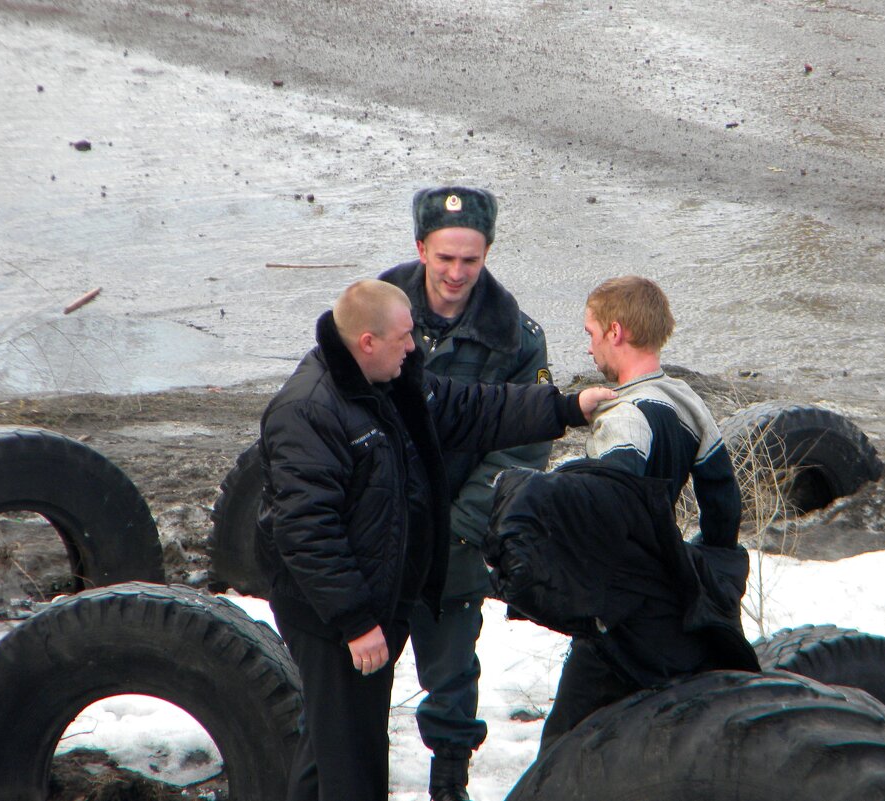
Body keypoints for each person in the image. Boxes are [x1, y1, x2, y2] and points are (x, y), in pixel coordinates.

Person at [254, 278, 612, 801]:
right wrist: (356, 622)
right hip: (329, 612)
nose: (413, 346)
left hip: (376, 595)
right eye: (404, 337)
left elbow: (474, 408)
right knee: (353, 758)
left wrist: (566, 408)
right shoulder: (309, 409)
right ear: (367, 342)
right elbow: (306, 530)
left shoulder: (393, 381)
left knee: (330, 742)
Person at [378, 186, 551, 801]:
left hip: (454, 536)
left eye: (470, 260)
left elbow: (522, 446)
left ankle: (449, 781)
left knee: (451, 671)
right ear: (421, 247)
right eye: (445, 257)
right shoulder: (373, 312)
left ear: (487, 254)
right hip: (377, 529)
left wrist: (458, 528)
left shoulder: (516, 339)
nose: (456, 273)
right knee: (353, 670)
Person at [526, 275, 749, 754]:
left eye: (590, 334)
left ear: (616, 332)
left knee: (564, 747)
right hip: (673, 601)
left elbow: (612, 507)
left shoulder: (625, 416)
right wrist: (711, 573)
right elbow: (723, 502)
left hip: (622, 616)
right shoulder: (688, 401)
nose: (588, 348)